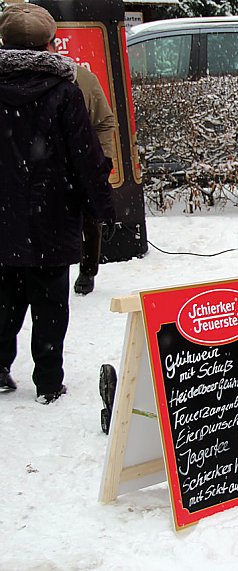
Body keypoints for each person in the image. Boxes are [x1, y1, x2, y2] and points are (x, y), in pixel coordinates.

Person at [0, 4, 114, 402]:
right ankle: (48, 382)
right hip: (52, 217)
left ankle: (0, 366)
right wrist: (102, 207)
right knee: (50, 303)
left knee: (5, 296)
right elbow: (86, 157)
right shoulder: (65, 91)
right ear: (50, 45)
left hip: (3, 219)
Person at [45, 41, 118, 296]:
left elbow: (105, 120)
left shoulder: (81, 78)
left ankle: (88, 269)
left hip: (77, 162)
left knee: (90, 217)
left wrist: (104, 157)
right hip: (38, 171)